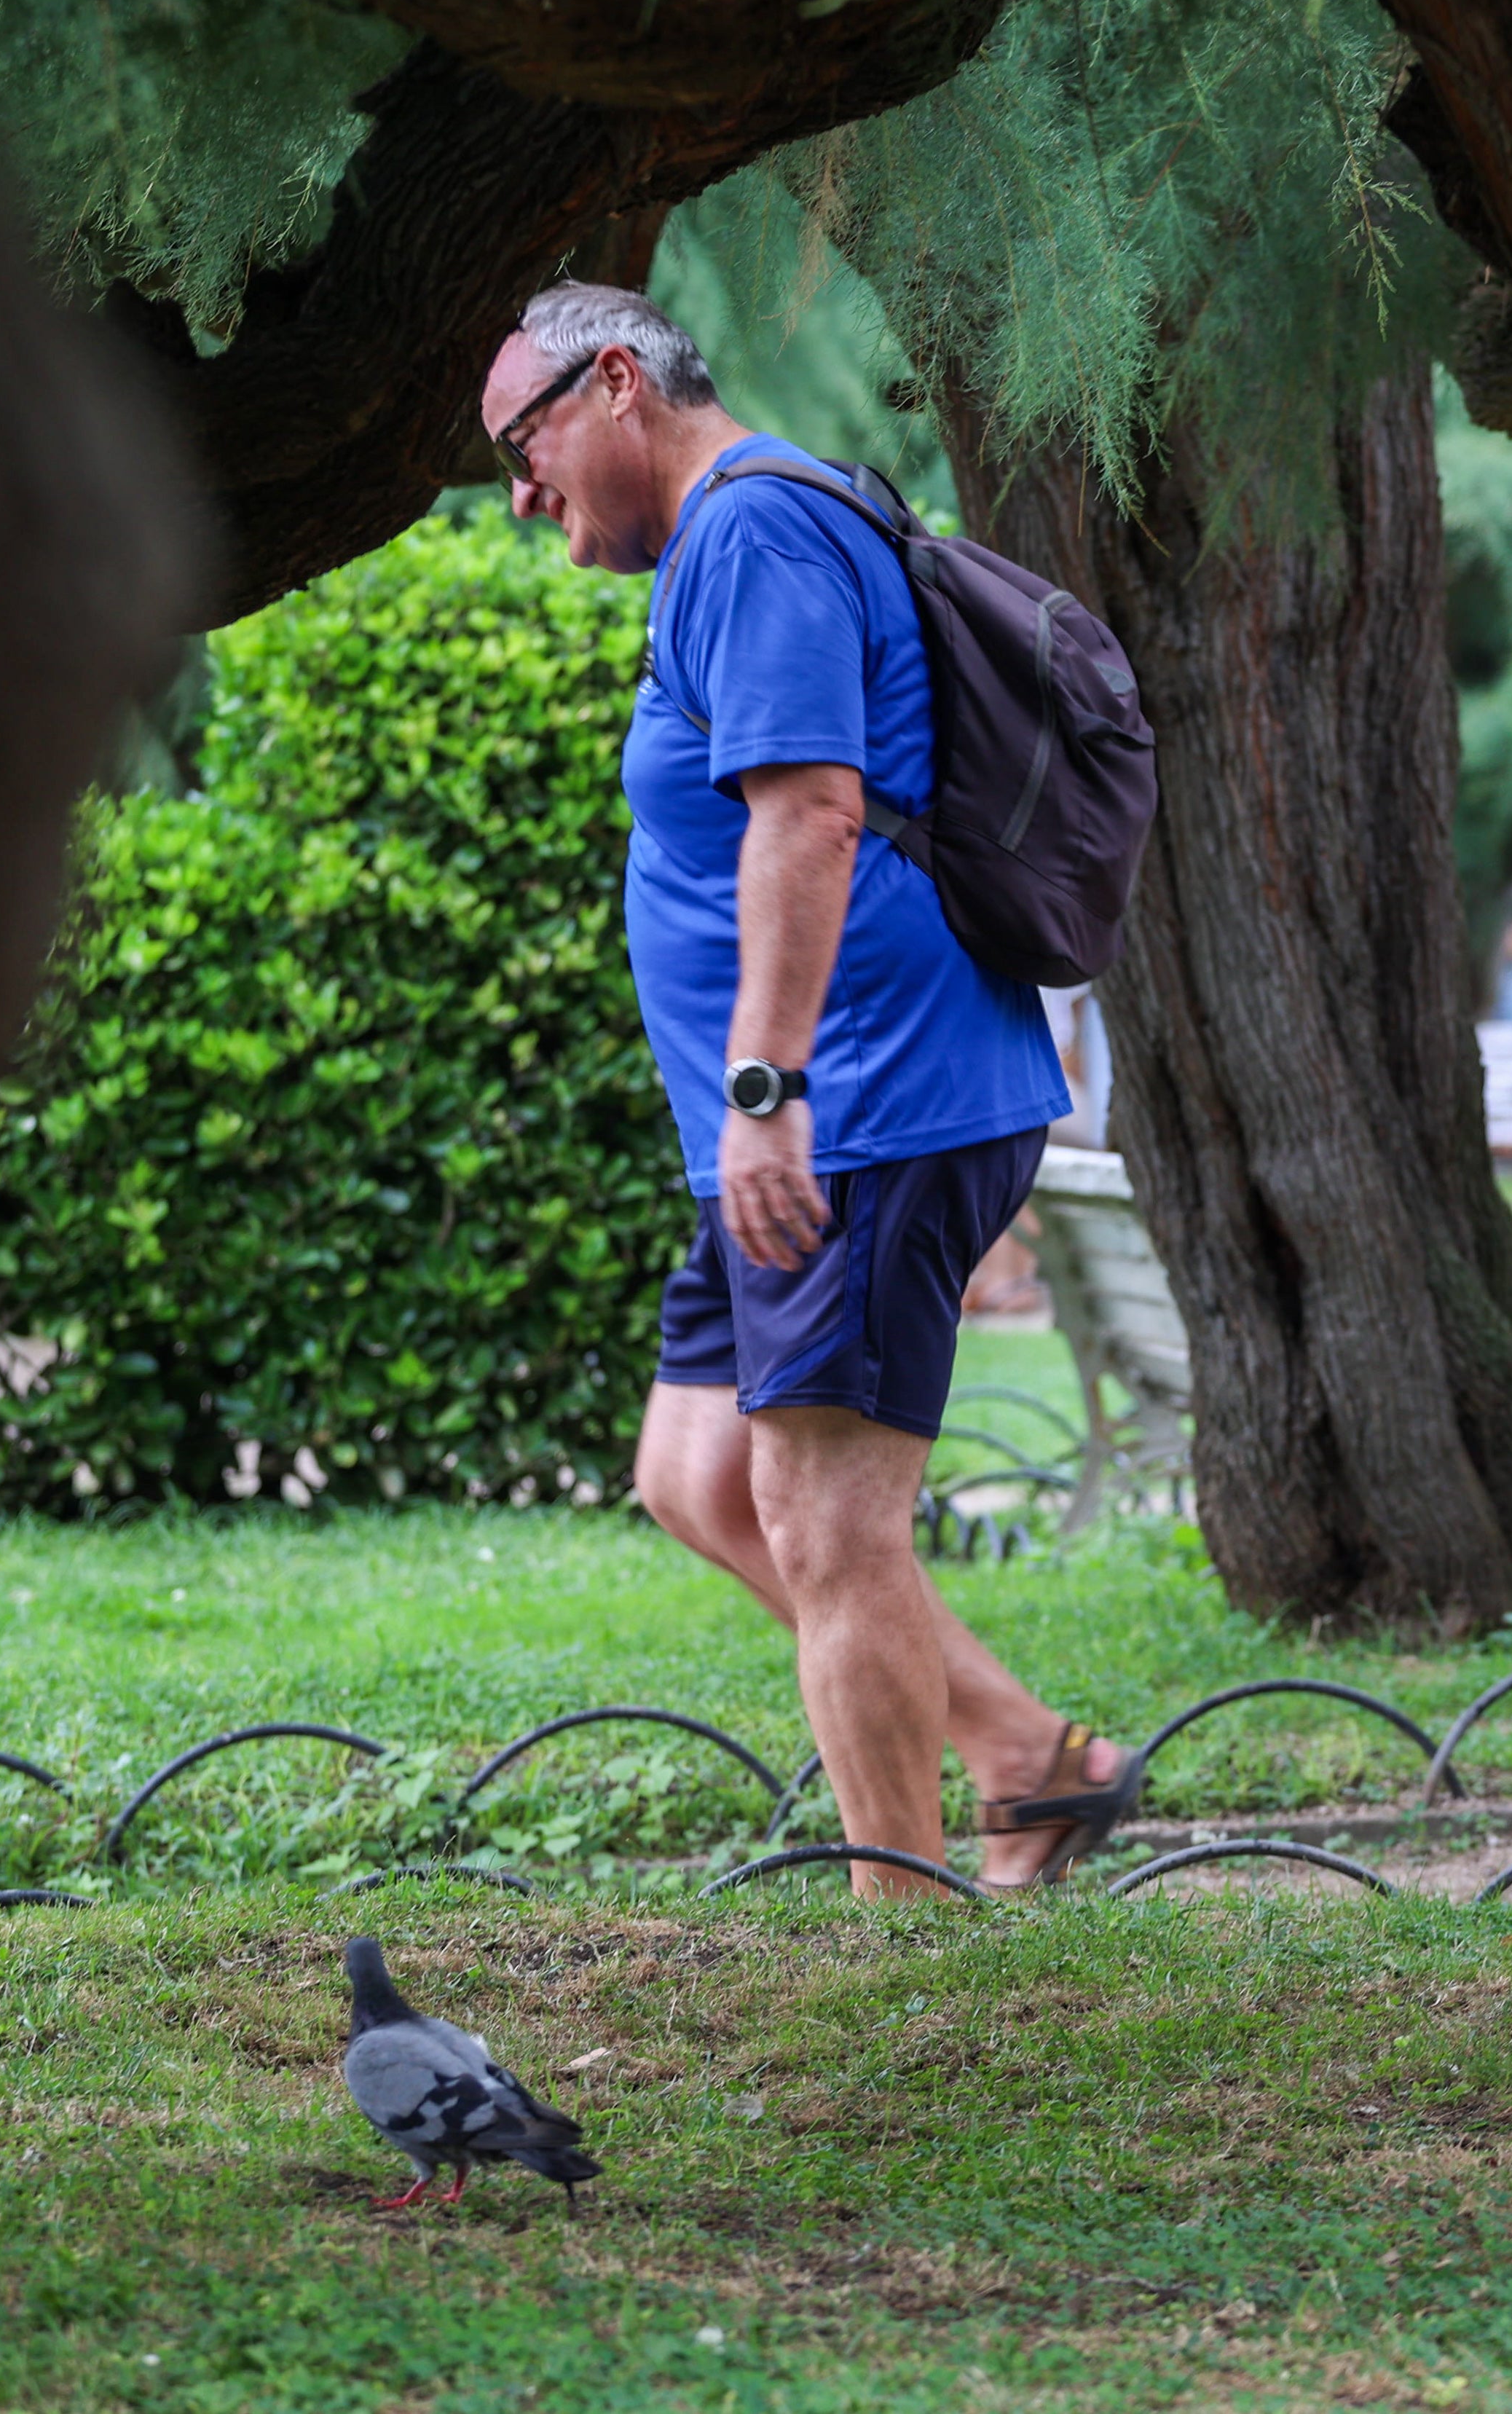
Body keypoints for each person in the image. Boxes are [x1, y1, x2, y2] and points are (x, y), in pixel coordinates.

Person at [483, 282, 1139, 1896]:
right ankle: (1027, 1756)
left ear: (617, 383)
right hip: (810, 1110)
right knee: (698, 1474)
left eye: (524, 442)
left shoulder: (758, 533)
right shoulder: (733, 538)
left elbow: (812, 814)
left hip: (860, 1098)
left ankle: (902, 1942)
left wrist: (767, 1084)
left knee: (831, 1521)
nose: (518, 490)